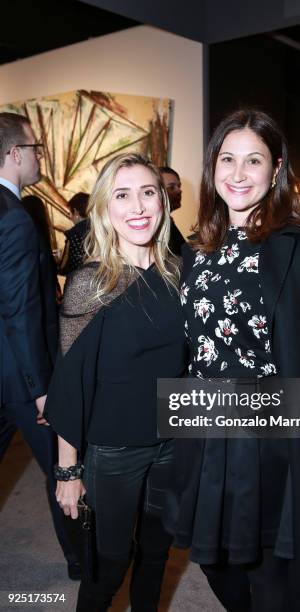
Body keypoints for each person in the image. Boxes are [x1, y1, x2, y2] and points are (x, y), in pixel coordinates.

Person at [164, 109, 300, 612]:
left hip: (276, 438)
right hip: (206, 430)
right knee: (214, 563)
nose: (238, 173)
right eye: (227, 159)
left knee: (274, 578)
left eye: (253, 160)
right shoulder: (195, 251)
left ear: (276, 170)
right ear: (212, 168)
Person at [45, 153, 187, 612]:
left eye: (148, 192)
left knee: (156, 555)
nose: (138, 206)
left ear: (163, 203)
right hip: (115, 450)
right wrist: (68, 470)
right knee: (109, 565)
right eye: (122, 195)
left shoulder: (179, 272)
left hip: (172, 442)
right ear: (105, 209)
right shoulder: (91, 283)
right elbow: (69, 384)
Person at [0, 112, 79, 578]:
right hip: (21, 375)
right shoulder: (15, 220)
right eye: (35, 150)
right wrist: (40, 386)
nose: (39, 158)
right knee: (64, 469)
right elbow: (21, 311)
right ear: (14, 154)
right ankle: (82, 562)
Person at [59, 192, 90, 275]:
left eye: (70, 213)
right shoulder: (101, 229)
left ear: (75, 212)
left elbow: (69, 266)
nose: (70, 217)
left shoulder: (74, 234)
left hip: (78, 283)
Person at [159, 166, 185, 255]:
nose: (179, 191)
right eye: (171, 187)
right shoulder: (156, 227)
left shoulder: (168, 222)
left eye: (179, 186)